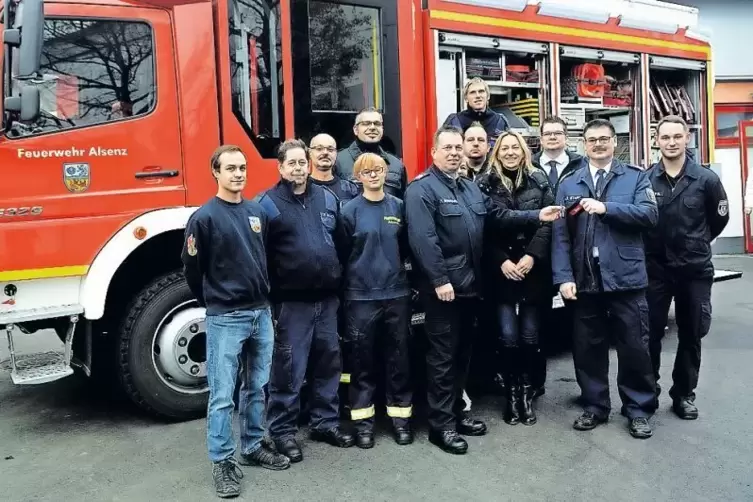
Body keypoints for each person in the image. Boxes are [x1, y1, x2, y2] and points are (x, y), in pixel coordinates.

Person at [405, 125, 562, 454]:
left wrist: (536, 213)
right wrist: (439, 280)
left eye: (456, 148)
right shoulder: (422, 190)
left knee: (462, 355)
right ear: (433, 152)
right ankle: (441, 426)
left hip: (471, 288)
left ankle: (457, 414)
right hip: (444, 291)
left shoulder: (469, 189)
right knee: (442, 359)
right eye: (445, 147)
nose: (452, 152)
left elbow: (498, 217)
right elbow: (423, 240)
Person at [182, 145, 290, 499]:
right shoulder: (204, 218)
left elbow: (264, 260)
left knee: (256, 387)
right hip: (226, 318)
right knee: (222, 396)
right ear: (215, 172)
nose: (239, 174)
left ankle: (254, 445)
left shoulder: (256, 211)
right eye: (230, 168)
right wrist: (213, 302)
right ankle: (222, 461)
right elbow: (193, 271)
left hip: (261, 313)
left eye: (242, 167)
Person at [552, 118, 659, 439]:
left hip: (626, 277)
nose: (598, 144)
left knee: (634, 347)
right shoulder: (569, 183)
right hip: (585, 280)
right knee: (587, 348)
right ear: (583, 145)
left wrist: (606, 208)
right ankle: (595, 406)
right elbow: (560, 236)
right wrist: (563, 277)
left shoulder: (636, 178)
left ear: (615, 143)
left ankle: (639, 409)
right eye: (591, 140)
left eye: (604, 139)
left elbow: (650, 215)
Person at [258, 139, 355, 464]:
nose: (299, 168)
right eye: (293, 163)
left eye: (303, 162)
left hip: (327, 301)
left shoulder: (327, 198)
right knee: (288, 370)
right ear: (281, 167)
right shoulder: (267, 205)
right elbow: (262, 259)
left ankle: (324, 423)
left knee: (328, 364)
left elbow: (342, 244)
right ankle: (282, 431)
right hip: (291, 305)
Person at [645, 115, 729, 420]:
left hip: (694, 269)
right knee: (650, 333)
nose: (670, 142)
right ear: (656, 140)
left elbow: (719, 219)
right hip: (655, 269)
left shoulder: (706, 179)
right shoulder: (646, 179)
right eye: (665, 137)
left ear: (686, 139)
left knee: (691, 334)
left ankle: (683, 395)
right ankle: (647, 392)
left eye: (676, 137)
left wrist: (697, 243)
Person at [476, 131, 554, 426]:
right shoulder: (484, 183)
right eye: (504, 148)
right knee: (507, 338)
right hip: (502, 271)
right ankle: (511, 395)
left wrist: (532, 256)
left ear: (524, 152)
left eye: (515, 148)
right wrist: (502, 261)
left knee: (530, 337)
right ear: (496, 153)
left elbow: (550, 224)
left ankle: (526, 392)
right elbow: (484, 225)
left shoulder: (540, 180)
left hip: (533, 269)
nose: (510, 152)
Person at [336, 152, 413, 448]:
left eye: (378, 170)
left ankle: (401, 420)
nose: (373, 175)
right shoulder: (349, 211)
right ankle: (364, 425)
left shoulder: (399, 207)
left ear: (386, 173)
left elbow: (406, 247)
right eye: (366, 171)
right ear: (358, 177)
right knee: (361, 362)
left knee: (399, 359)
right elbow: (343, 253)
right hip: (360, 298)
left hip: (396, 295)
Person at [530, 116, 584, 398]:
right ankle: (536, 384)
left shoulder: (581, 166)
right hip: (538, 255)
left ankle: (586, 387)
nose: (552, 138)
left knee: (580, 324)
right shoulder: (529, 166)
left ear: (567, 137)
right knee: (538, 323)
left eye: (558, 133)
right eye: (547, 133)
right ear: (540, 138)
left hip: (571, 254)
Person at [334, 107, 408, 199]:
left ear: (382, 129)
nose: (372, 127)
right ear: (356, 130)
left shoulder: (396, 165)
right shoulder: (338, 161)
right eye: (366, 124)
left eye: (377, 124)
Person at [442, 77, 508, 148]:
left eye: (481, 91)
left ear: (488, 96)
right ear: (466, 98)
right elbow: (443, 148)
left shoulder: (499, 121)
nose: (478, 96)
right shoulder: (454, 121)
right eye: (473, 92)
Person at [308, 133, 360, 206]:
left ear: (336, 153)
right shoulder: (302, 188)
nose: (325, 153)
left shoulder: (351, 189)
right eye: (319, 149)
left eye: (330, 149)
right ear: (310, 152)